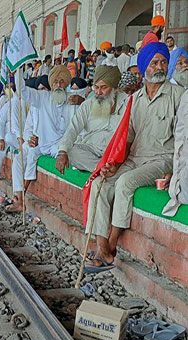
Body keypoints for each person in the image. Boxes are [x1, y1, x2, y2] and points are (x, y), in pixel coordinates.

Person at [85, 42, 183, 271]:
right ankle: (101, 247)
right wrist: (114, 164)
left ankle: (110, 247)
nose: (159, 67)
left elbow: (183, 140)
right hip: (135, 158)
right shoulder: (135, 98)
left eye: (163, 62)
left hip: (162, 160)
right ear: (144, 66)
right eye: (154, 62)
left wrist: (176, 171)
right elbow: (126, 139)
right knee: (100, 182)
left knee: (125, 183)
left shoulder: (178, 95)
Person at [7, 66, 77, 212]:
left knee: (70, 157)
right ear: (51, 84)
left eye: (62, 82)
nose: (58, 85)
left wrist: (81, 100)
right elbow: (22, 91)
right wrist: (18, 70)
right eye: (55, 82)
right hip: (41, 144)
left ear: (66, 84)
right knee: (21, 156)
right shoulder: (43, 97)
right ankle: (19, 197)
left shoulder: (73, 99)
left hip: (59, 146)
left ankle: (21, 198)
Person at [56, 66, 128, 173]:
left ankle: (103, 168)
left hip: (116, 152)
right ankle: (101, 168)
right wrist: (62, 152)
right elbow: (73, 128)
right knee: (70, 151)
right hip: (91, 150)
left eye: (103, 87)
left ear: (114, 87)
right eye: (96, 87)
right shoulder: (88, 104)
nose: (98, 92)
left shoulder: (127, 103)